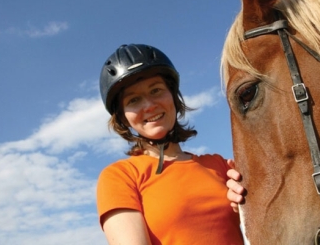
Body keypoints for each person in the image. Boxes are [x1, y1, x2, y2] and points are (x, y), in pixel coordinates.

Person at [96, 43, 245, 245]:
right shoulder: (120, 176)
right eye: (133, 100)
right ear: (123, 118)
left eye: (156, 90)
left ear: (173, 97)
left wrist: (246, 204)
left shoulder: (219, 165)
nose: (149, 105)